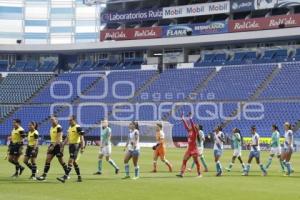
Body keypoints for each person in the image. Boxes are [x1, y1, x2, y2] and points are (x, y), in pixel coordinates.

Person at [37, 116, 68, 181]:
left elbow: (59, 139)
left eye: (53, 120)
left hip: (58, 146)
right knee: (48, 159)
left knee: (61, 161)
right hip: (52, 144)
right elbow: (53, 139)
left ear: (56, 120)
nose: (51, 121)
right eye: (51, 120)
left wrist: (53, 146)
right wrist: (51, 145)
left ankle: (67, 174)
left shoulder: (59, 127)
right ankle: (44, 175)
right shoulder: (51, 128)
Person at [57, 115, 85, 183]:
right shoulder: (70, 128)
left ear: (74, 120)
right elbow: (67, 137)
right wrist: (63, 144)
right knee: (74, 162)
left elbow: (82, 138)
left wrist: (82, 147)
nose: (69, 121)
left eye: (70, 120)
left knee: (70, 161)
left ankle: (65, 177)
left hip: (76, 146)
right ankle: (79, 177)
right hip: (71, 146)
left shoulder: (78, 127)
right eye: (69, 120)